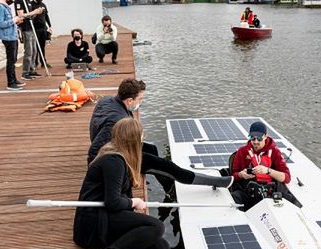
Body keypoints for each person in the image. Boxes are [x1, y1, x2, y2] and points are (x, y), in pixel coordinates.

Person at [73, 118, 201, 249]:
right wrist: (134, 202)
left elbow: (116, 199)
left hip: (104, 217)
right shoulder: (113, 160)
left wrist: (131, 205)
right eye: (141, 136)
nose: (143, 139)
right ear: (132, 139)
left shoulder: (117, 156)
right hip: (93, 224)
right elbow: (113, 202)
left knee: (159, 243)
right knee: (156, 227)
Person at [88, 79, 233, 196]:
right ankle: (217, 182)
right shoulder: (116, 120)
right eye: (140, 99)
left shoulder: (107, 100)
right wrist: (105, 173)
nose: (141, 102)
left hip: (120, 144)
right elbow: (94, 151)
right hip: (117, 156)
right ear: (129, 100)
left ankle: (168, 186)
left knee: (151, 148)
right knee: (168, 167)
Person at [230, 121, 301, 210]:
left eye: (259, 138)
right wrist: (240, 174)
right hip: (248, 192)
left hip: (270, 193)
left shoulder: (275, 152)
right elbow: (233, 175)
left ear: (265, 136)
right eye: (252, 138)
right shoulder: (242, 151)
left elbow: (286, 178)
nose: (255, 141)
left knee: (288, 199)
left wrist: (268, 171)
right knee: (234, 197)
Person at [0, 0, 26, 91]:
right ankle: (10, 83)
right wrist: (13, 20)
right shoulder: (0, 7)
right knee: (11, 60)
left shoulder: (6, 7)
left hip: (12, 36)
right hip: (7, 37)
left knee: (14, 59)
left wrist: (16, 22)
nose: (12, 0)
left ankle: (14, 80)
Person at [14, 0, 44, 80]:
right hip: (26, 28)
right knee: (29, 51)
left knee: (34, 51)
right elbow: (21, 15)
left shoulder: (27, 1)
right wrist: (34, 12)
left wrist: (37, 12)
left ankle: (32, 70)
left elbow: (30, 15)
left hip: (32, 28)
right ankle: (25, 72)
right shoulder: (19, 0)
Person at [32, 0, 53, 69]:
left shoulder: (43, 5)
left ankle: (43, 62)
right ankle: (35, 62)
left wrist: (50, 26)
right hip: (35, 29)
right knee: (35, 46)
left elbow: (46, 16)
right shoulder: (31, 5)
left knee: (42, 46)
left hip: (43, 29)